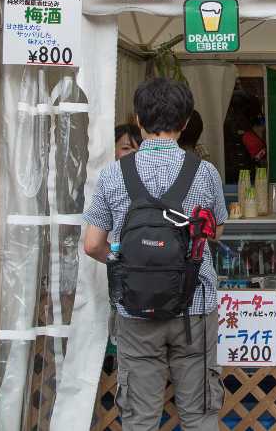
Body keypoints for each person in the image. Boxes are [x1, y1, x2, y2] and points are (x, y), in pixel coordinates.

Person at [83, 78, 227, 431]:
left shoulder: (113, 173)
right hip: (194, 306)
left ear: (137, 119)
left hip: (135, 308)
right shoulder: (204, 172)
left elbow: (92, 244)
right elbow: (216, 232)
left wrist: (126, 263)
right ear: (186, 121)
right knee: (199, 415)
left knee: (141, 417)